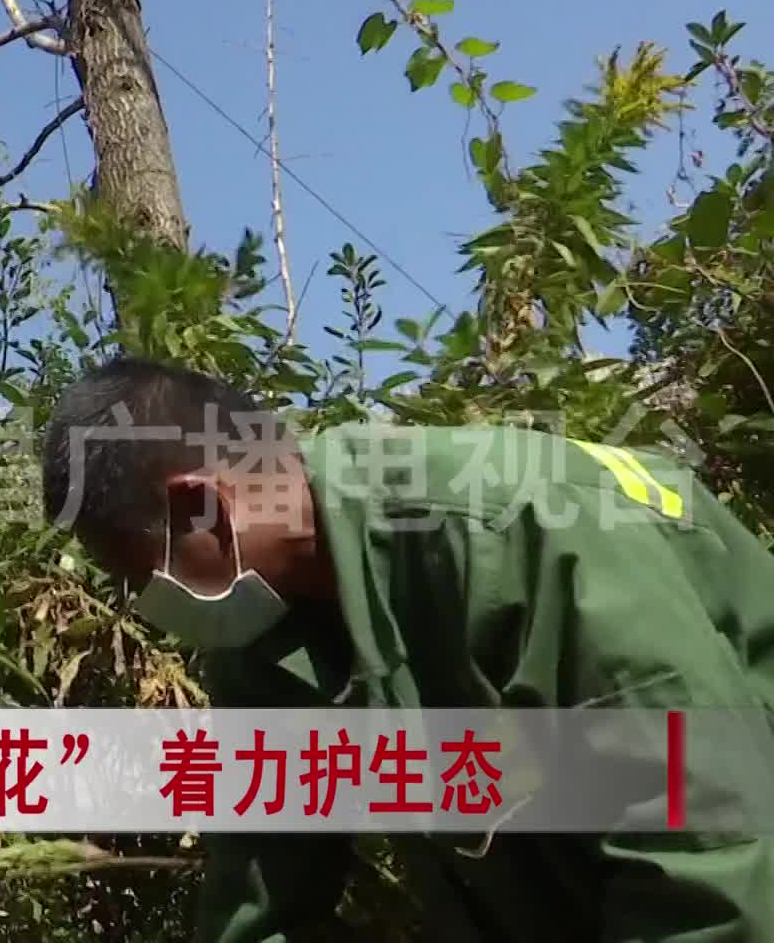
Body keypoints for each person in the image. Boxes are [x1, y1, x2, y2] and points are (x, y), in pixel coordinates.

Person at [39, 355, 774, 943]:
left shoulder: (512, 533)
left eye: (140, 574)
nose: (145, 607)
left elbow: (710, 854)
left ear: (203, 506)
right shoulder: (262, 635)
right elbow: (263, 880)